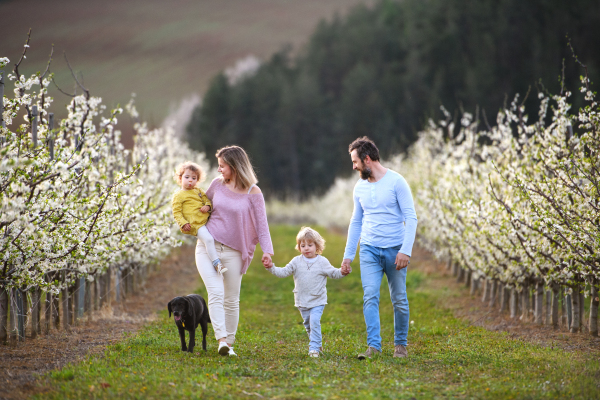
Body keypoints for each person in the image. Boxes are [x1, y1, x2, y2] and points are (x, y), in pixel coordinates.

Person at [341, 136, 418, 359]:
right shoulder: (360, 188)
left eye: (355, 162)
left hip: (396, 250)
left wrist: (405, 250)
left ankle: (400, 346)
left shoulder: (396, 182)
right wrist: (348, 256)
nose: (354, 166)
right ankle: (373, 346)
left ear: (367, 159)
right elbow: (356, 221)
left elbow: (411, 218)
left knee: (400, 299)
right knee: (370, 296)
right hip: (369, 249)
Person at [196, 145, 274, 357]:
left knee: (231, 299)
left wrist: (267, 251)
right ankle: (221, 339)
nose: (219, 170)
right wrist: (187, 219)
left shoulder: (253, 193)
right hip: (208, 247)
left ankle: (229, 345)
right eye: (219, 166)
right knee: (215, 291)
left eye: (222, 166)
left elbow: (262, 226)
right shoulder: (217, 185)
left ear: (235, 166)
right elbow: (201, 204)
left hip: (234, 252)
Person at [264, 227, 348, 357]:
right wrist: (271, 267)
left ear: (317, 246)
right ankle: (317, 344)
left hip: (317, 300)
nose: (306, 248)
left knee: (314, 321)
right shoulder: (296, 262)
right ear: (299, 247)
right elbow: (283, 272)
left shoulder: (322, 262)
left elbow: (334, 273)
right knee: (308, 325)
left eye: (310, 245)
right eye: (303, 245)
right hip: (302, 300)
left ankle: (313, 348)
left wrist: (342, 272)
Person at [172, 162, 227, 275]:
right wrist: (183, 223)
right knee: (208, 239)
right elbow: (177, 212)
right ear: (180, 178)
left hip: (206, 220)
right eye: (187, 177)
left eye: (194, 178)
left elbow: (207, 201)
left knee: (216, 236)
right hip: (195, 224)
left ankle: (223, 255)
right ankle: (217, 264)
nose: (190, 180)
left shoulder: (199, 191)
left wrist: (207, 206)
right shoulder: (179, 195)